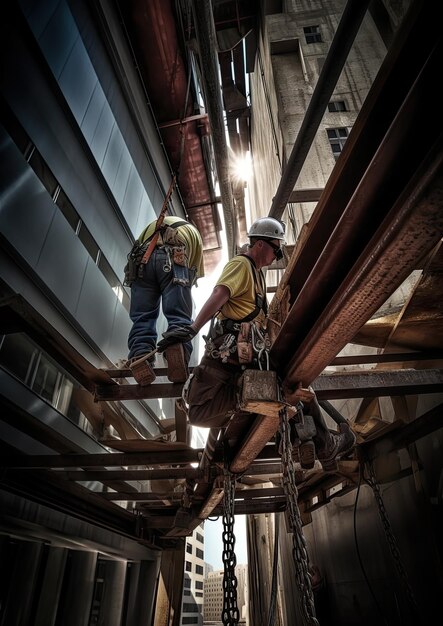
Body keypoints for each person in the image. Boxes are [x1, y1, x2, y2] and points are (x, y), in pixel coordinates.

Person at [157, 216, 356, 468]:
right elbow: (220, 294)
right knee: (198, 412)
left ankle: (317, 444)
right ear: (260, 244)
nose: (277, 255)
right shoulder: (242, 265)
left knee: (288, 389)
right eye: (276, 248)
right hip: (227, 357)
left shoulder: (258, 277)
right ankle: (320, 445)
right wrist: (193, 329)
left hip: (242, 362)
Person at [125, 214, 204, 385]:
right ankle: (178, 349)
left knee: (142, 316)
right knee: (179, 316)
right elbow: (192, 274)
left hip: (140, 261)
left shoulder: (152, 225)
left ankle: (140, 355)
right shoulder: (194, 234)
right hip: (173, 256)